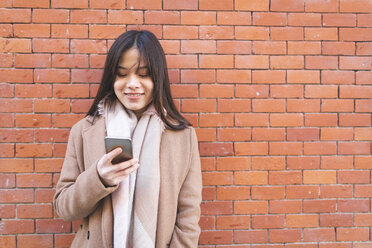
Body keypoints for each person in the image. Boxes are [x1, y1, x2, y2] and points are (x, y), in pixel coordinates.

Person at [53, 30, 202, 248]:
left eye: (143, 74)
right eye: (122, 74)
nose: (132, 84)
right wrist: (98, 179)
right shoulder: (84, 131)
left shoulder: (182, 136)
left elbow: (189, 214)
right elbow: (64, 208)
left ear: (157, 77)